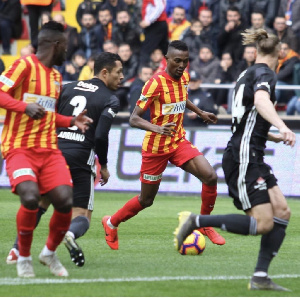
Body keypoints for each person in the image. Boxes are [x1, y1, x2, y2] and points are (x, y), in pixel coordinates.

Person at [174, 29, 296, 291]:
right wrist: (283, 126)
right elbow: (262, 101)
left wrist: (272, 136)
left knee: (282, 211)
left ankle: (260, 276)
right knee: (263, 222)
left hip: (252, 152)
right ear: (279, 52)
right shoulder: (265, 74)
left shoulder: (245, 73)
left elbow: (248, 116)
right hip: (244, 156)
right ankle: (198, 222)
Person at [102, 40, 226, 250]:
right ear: (166, 59)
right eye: (177, 61)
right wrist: (157, 128)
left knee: (211, 176)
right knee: (146, 200)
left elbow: (182, 98)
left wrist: (200, 112)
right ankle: (111, 222)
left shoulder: (184, 77)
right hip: (156, 148)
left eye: (185, 61)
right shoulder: (155, 83)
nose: (182, 65)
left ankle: (204, 223)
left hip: (177, 141)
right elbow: (134, 118)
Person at [6, 52, 123, 267]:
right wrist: (103, 165)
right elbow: (99, 135)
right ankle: (69, 234)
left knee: (41, 203)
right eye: (119, 72)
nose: (122, 77)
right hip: (81, 155)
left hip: (55, 152)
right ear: (105, 72)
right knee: (82, 215)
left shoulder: (68, 87)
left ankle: (15, 250)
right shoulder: (111, 99)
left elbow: (50, 118)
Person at [0, 21, 93, 278]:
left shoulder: (55, 76)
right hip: (19, 148)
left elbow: (48, 115)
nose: (69, 50)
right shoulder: (24, 65)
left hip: (49, 150)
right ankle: (24, 257)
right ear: (57, 45)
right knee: (30, 197)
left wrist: (71, 121)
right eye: (66, 45)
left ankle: (49, 253)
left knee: (64, 199)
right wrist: (23, 107)